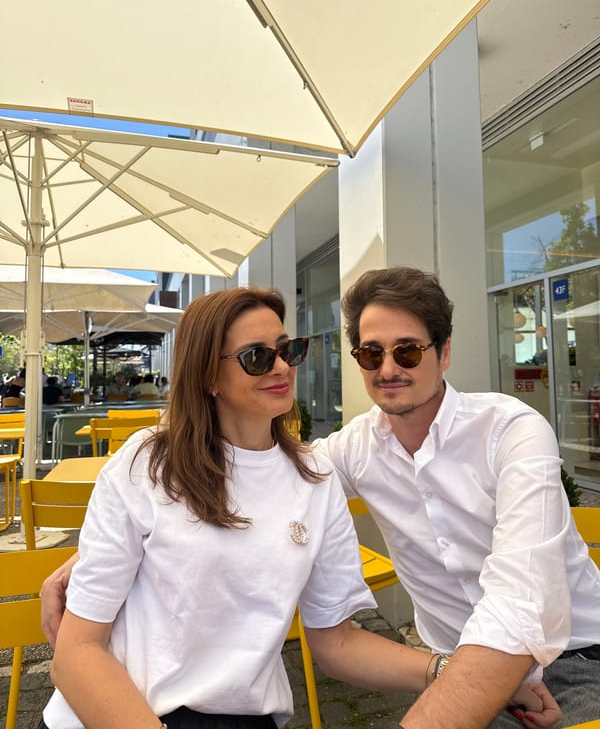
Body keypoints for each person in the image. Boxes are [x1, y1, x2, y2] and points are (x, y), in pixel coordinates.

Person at [40, 286, 560, 729]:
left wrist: (447, 671)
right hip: (116, 710)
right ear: (207, 375)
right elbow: (76, 655)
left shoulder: (316, 477)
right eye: (257, 357)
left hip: (245, 716)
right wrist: (90, 556)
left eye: (287, 349)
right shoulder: (146, 464)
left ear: (442, 353)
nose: (281, 367)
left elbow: (334, 642)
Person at [310, 266, 600, 728]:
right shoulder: (355, 446)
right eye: (370, 353)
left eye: (407, 351)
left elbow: (521, 597)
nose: (387, 369)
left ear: (444, 353)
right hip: (454, 665)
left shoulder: (509, 430)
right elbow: (274, 475)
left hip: (576, 660)